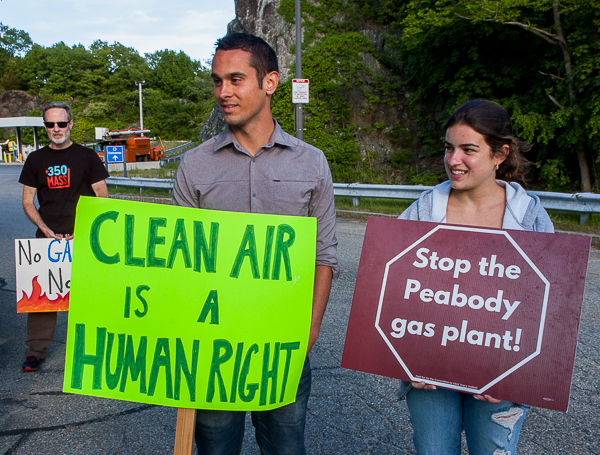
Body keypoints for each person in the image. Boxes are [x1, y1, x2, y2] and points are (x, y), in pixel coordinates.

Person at [172, 32, 338, 455]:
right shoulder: (194, 163)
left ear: (270, 83)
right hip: (210, 347)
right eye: (216, 81)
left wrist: (311, 329)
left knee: (285, 449)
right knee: (215, 450)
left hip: (283, 344)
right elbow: (173, 259)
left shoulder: (311, 161)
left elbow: (323, 254)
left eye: (235, 79)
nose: (223, 92)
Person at [398, 99, 554, 454]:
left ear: (500, 154)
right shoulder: (422, 210)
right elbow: (390, 291)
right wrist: (406, 359)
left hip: (501, 372)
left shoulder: (530, 218)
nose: (454, 160)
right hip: (428, 371)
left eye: (468, 149)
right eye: (449, 148)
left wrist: (514, 375)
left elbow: (548, 305)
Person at [18, 101, 109, 372]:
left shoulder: (87, 157)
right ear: (45, 127)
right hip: (47, 241)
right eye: (50, 124)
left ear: (70, 124)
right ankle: (35, 352)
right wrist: (45, 230)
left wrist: (85, 230)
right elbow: (27, 201)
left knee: (89, 296)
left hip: (82, 238)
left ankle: (94, 350)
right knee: (41, 297)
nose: (56, 129)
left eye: (61, 123)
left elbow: (102, 197)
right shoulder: (36, 159)